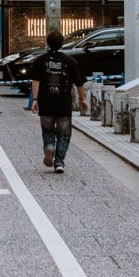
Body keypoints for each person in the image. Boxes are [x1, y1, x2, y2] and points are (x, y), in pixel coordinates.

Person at [30, 31, 86, 174]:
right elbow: (79, 83)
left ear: (48, 43)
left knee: (47, 130)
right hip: (63, 103)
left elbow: (35, 81)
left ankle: (49, 146)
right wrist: (82, 99)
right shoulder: (70, 62)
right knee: (64, 134)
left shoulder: (40, 60)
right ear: (62, 43)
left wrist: (34, 100)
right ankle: (59, 162)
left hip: (46, 101)